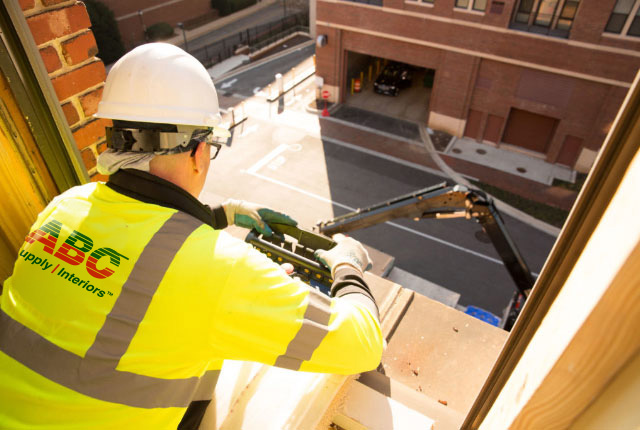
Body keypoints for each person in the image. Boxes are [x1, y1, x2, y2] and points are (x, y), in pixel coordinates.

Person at [0, 43, 383, 429]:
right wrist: (347, 265)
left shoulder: (65, 206)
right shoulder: (220, 269)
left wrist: (222, 215)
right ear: (200, 152)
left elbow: (131, 256)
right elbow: (362, 345)